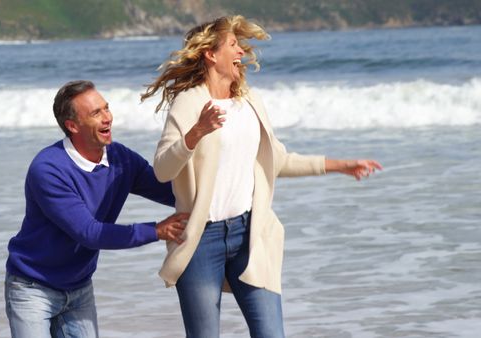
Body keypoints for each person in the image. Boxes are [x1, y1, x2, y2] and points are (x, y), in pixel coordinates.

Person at [141, 16, 383, 338]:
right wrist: (195, 134)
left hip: (250, 233)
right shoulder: (189, 104)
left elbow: (277, 160)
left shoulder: (249, 102)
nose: (241, 51)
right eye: (233, 44)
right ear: (210, 55)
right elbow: (162, 169)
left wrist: (339, 165)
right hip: (202, 239)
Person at [5, 80, 188, 338]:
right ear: (72, 126)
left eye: (106, 108)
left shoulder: (120, 158)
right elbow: (89, 233)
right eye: (96, 113)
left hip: (79, 288)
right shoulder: (48, 169)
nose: (107, 118)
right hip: (33, 288)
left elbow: (171, 192)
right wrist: (156, 231)